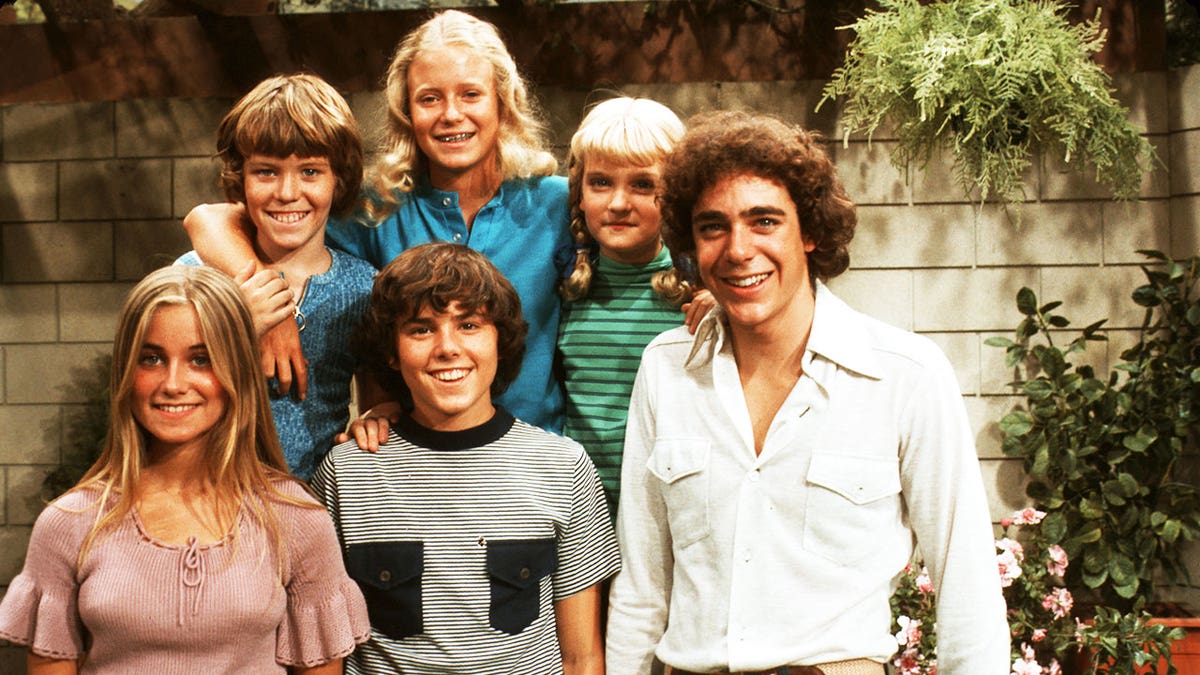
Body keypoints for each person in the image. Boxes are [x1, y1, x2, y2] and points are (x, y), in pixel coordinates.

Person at [605, 111, 1010, 675]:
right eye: (712, 226)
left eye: (764, 220)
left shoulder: (905, 376)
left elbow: (967, 588)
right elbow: (642, 588)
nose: (738, 249)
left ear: (810, 231)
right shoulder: (666, 370)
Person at [184, 9, 569, 435]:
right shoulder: (377, 209)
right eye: (429, 98)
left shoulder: (557, 203)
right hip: (410, 463)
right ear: (406, 111)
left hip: (534, 461)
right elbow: (210, 219)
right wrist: (270, 304)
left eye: (471, 95)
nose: (450, 114)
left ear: (503, 102)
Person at [0, 265, 370, 673]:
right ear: (125, 371)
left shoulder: (296, 519)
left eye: (200, 359)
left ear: (239, 371)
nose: (173, 383)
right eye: (152, 358)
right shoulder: (69, 522)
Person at [310, 242, 620, 674]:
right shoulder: (350, 471)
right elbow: (327, 649)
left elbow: (582, 655)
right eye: (421, 329)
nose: (448, 347)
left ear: (501, 338)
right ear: (391, 351)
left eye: (469, 324)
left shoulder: (562, 467)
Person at [177, 73, 377, 479]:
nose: (287, 192)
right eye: (266, 172)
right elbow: (171, 383)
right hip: (206, 499)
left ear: (338, 178)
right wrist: (236, 326)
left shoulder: (364, 288)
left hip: (312, 510)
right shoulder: (193, 276)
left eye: (310, 172)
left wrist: (373, 422)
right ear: (241, 178)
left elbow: (379, 403)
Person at [557, 96, 709, 515]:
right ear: (580, 193)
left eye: (643, 185)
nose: (619, 202)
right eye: (601, 182)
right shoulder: (565, 287)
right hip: (581, 515)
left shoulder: (701, 289)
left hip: (673, 510)